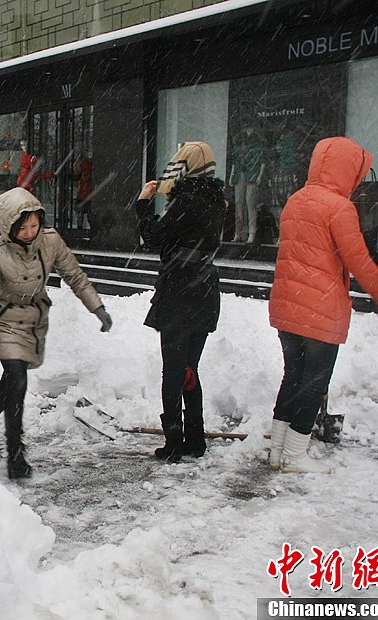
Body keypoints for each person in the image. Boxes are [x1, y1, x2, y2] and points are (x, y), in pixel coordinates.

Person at [267, 137, 378, 474]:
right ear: (350, 172)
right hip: (320, 309)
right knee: (315, 380)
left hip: (288, 306)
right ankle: (295, 456)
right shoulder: (340, 208)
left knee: (293, 376)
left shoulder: (296, 201)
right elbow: (359, 261)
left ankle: (276, 451)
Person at [0, 187, 111, 479]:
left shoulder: (51, 241)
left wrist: (98, 308)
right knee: (17, 381)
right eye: (23, 227)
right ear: (8, 226)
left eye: (34, 224)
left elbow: (75, 275)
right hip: (3, 321)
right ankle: (16, 455)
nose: (31, 232)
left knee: (10, 383)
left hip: (33, 320)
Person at [134, 141, 224, 463]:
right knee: (189, 368)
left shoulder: (187, 201)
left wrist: (143, 205)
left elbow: (154, 237)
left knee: (172, 372)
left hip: (179, 292)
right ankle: (195, 439)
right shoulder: (217, 201)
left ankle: (173, 442)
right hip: (204, 291)